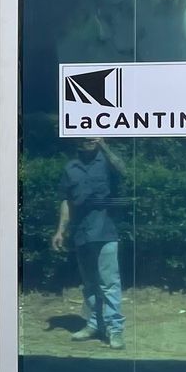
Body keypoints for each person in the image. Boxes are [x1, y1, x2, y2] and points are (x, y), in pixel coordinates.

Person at [52, 136, 126, 349]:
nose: (89, 139)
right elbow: (65, 201)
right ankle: (95, 324)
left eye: (93, 136)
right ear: (77, 141)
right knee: (90, 284)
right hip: (82, 233)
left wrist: (105, 145)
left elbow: (123, 170)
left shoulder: (107, 162)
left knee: (109, 283)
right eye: (85, 137)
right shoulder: (71, 168)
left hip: (105, 231)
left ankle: (115, 330)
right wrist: (60, 231)